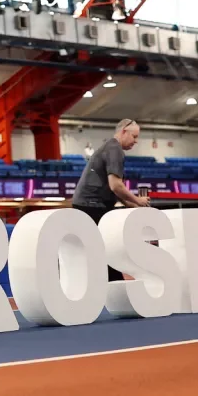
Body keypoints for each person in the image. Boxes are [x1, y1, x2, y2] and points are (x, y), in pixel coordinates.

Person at [70, 119, 149, 282]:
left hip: (87, 205)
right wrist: (137, 201)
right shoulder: (115, 150)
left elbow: (115, 189)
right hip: (92, 206)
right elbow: (116, 186)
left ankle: (113, 286)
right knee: (108, 249)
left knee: (103, 250)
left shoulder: (109, 147)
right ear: (123, 132)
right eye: (134, 137)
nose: (136, 141)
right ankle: (116, 287)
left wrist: (133, 204)